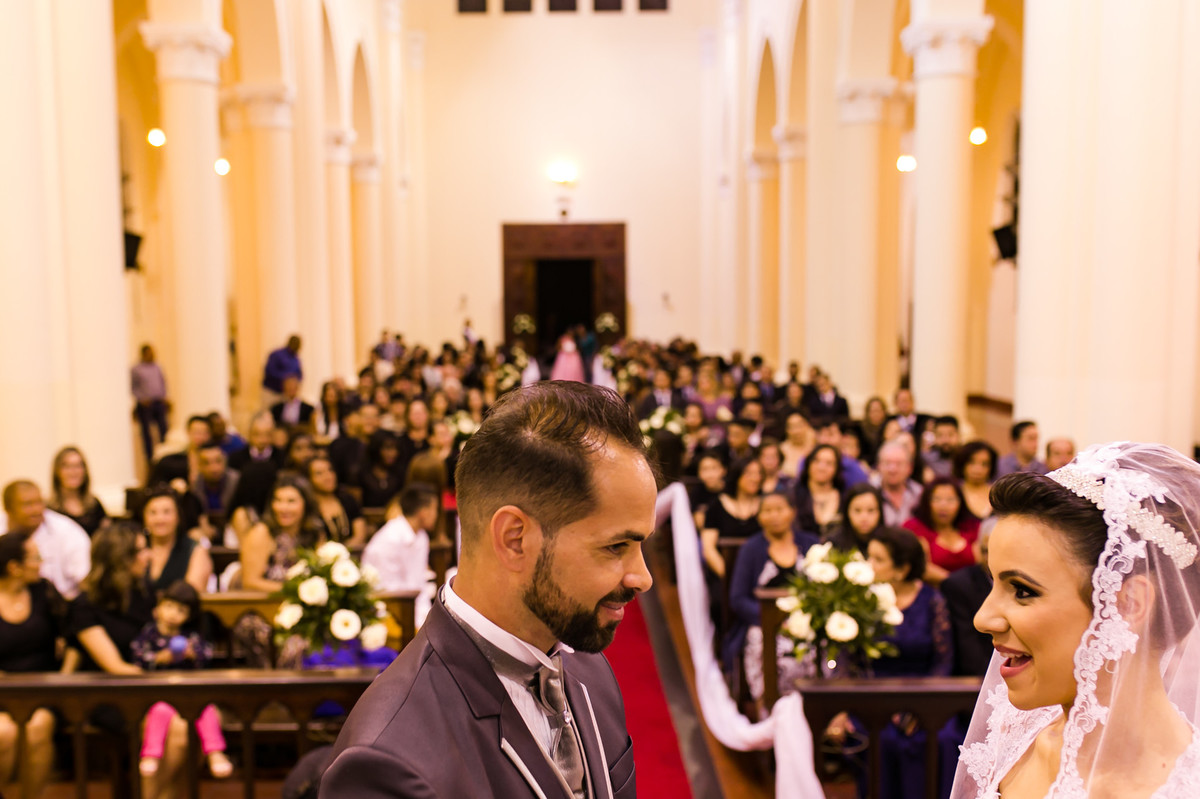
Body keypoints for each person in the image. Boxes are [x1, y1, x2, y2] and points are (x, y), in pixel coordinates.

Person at [321, 382, 654, 798]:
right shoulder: (388, 760)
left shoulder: (592, 675)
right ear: (515, 539)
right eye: (616, 546)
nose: (642, 577)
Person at [952, 442, 1200, 798]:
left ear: (1129, 603)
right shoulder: (1018, 730)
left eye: (1022, 590)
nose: (983, 618)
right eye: (994, 584)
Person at [131, 580, 232, 780]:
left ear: (188, 616)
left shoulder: (191, 637)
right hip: (159, 695)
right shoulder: (148, 635)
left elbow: (206, 656)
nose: (172, 614)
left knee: (207, 710)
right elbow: (138, 658)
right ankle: (151, 754)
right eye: (168, 606)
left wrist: (192, 654)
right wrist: (159, 658)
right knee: (159, 713)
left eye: (181, 610)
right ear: (158, 607)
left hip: (189, 694)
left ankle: (215, 752)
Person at [725, 492, 820, 703]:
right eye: (767, 510)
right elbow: (738, 599)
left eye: (780, 509)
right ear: (759, 516)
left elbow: (823, 589)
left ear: (792, 512)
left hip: (808, 621)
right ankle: (768, 704)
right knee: (761, 642)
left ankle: (816, 703)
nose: (774, 515)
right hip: (762, 624)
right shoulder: (750, 549)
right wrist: (775, 620)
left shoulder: (811, 543)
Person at [0, 531, 73, 799]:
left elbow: (74, 635)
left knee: (38, 726)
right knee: (3, 733)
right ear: (14, 567)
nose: (40, 562)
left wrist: (65, 677)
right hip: (3, 693)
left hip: (43, 691)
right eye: (35, 558)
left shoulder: (44, 592)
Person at [362, 483, 441, 625]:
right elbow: (387, 590)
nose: (436, 515)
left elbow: (418, 581)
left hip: (416, 608)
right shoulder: (389, 539)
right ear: (423, 511)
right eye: (435, 509)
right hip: (387, 613)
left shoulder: (421, 536)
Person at [1, 480, 91, 600]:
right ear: (8, 509)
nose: (36, 510)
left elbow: (86, 580)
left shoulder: (67, 531)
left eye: (39, 502)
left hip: (61, 605)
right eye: (27, 504)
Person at [903, 476, 980, 585]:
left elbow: (981, 563)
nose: (943, 506)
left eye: (950, 500)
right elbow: (922, 567)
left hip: (972, 592)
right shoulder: (914, 527)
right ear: (926, 502)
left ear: (960, 502)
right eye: (936, 499)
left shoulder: (972, 527)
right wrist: (958, 585)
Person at [142, 485, 212, 597]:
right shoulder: (138, 548)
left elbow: (192, 595)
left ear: (178, 516)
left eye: (166, 512)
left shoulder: (195, 550)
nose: (160, 519)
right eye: (153, 513)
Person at [48, 446, 109, 536]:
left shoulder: (94, 504)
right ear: (57, 472)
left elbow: (108, 538)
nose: (73, 472)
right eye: (67, 466)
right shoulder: (50, 509)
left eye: (78, 466)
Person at [307, 456, 366, 546]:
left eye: (330, 470)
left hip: (352, 554)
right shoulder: (308, 507)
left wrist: (341, 554)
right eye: (319, 473)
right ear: (309, 479)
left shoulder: (348, 500)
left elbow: (360, 535)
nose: (328, 476)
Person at [792, 443, 845, 537]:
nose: (821, 468)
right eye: (816, 461)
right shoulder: (793, 494)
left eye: (829, 463)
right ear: (808, 464)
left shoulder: (844, 497)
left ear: (837, 468)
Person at [131, 344, 170, 465]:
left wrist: (164, 396)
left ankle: (165, 455)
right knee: (147, 434)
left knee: (164, 429)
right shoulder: (136, 369)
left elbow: (163, 382)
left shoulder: (157, 367)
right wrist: (140, 398)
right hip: (145, 404)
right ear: (143, 354)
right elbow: (133, 386)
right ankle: (150, 460)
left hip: (158, 402)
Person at [825, 483, 885, 557]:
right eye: (857, 510)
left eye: (871, 510)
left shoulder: (889, 544)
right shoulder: (833, 543)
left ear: (880, 512)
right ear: (847, 512)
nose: (864, 517)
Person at [872, 440, 923, 527]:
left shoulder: (919, 493)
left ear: (910, 467)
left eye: (899, 464)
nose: (892, 469)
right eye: (887, 463)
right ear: (878, 466)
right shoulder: (869, 492)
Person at [954, 440, 998, 521]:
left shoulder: (998, 494)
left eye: (984, 464)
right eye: (972, 462)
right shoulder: (954, 492)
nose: (978, 469)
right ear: (962, 464)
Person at [263, 334, 303, 407]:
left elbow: (299, 375)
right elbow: (269, 371)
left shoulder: (296, 359)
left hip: (286, 394)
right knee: (268, 413)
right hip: (272, 392)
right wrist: (286, 378)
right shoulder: (277, 355)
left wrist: (296, 383)